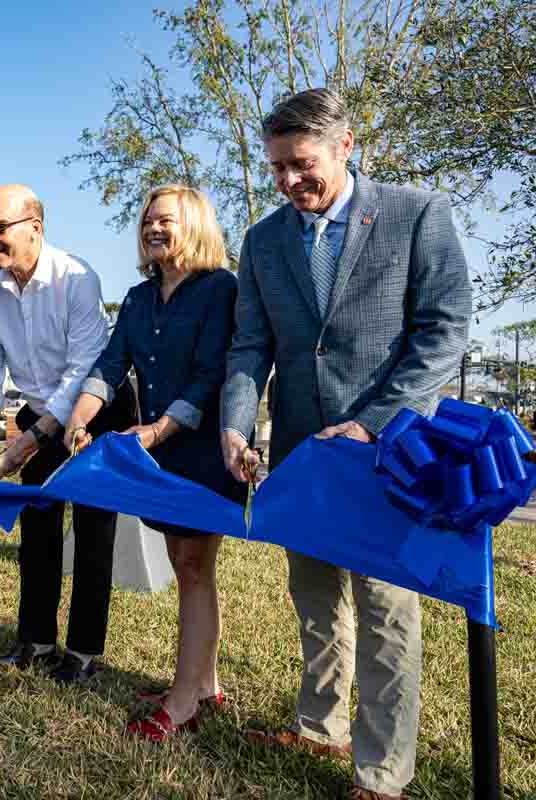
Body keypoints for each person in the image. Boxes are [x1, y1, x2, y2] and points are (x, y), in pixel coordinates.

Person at [220, 89, 470, 800]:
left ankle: (383, 774)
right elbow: (250, 345)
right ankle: (319, 726)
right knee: (316, 597)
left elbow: (445, 330)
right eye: (276, 169)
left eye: (301, 165)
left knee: (387, 608)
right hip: (304, 453)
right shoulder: (264, 241)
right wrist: (237, 424)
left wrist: (375, 421)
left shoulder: (418, 214)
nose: (289, 182)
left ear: (346, 145)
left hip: (391, 452)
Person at [64, 185, 241, 739]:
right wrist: (81, 417)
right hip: (155, 452)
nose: (153, 229)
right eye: (147, 221)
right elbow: (110, 363)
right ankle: (203, 684)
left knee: (192, 567)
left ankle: (183, 699)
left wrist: (161, 429)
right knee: (188, 567)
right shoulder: (139, 299)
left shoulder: (220, 289)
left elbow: (213, 374)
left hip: (199, 448)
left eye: (165, 220)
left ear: (194, 225)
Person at [0, 183, 137, 684]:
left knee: (91, 535)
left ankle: (83, 654)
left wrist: (27, 441)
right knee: (37, 531)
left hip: (95, 411)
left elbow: (84, 371)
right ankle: (36, 641)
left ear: (34, 227)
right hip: (37, 414)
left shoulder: (77, 278)